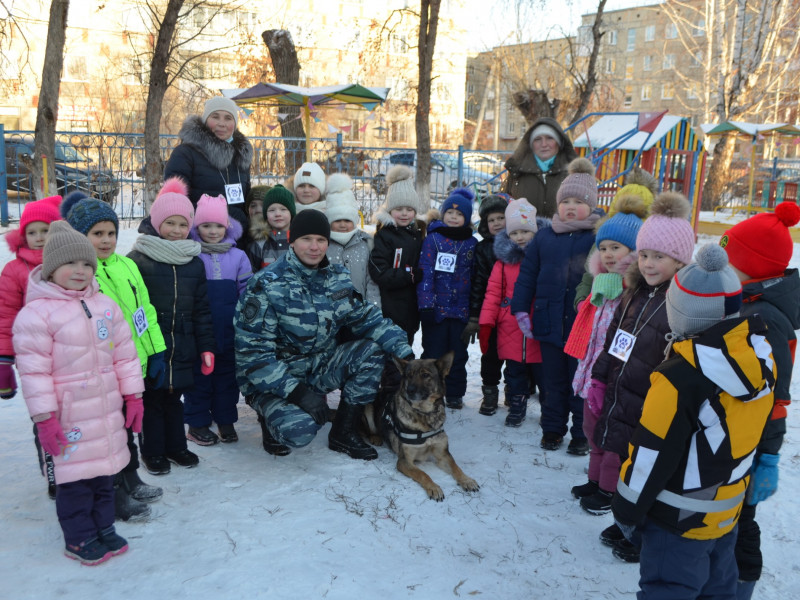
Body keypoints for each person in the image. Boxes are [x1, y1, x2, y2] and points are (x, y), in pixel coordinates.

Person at [611, 244, 776, 600]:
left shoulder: (678, 378)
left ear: (682, 314)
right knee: (718, 591)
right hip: (726, 511)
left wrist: (626, 508)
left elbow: (651, 452)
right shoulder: (760, 357)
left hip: (678, 520)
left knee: (668, 590)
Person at [13, 221, 145, 565]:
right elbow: (34, 373)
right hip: (68, 417)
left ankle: (103, 527)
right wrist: (44, 419)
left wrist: (133, 396)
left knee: (104, 477)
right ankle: (79, 537)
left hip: (105, 413)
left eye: (87, 264)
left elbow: (125, 355)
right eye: (71, 264)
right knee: (74, 486)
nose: (81, 271)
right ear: (53, 267)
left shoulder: (105, 306)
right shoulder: (36, 315)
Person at [234, 209, 413, 460]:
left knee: (371, 352)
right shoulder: (267, 284)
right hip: (275, 379)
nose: (315, 247)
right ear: (292, 240)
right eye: (307, 239)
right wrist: (298, 394)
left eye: (321, 240)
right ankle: (269, 418)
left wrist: (406, 352)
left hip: (318, 365)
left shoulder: (336, 278)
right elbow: (252, 357)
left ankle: (343, 431)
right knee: (299, 431)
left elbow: (364, 318)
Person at [590, 192, 695, 560]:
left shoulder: (682, 302)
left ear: (679, 260)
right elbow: (614, 336)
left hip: (656, 398)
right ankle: (624, 519)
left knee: (646, 466)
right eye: (645, 255)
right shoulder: (636, 291)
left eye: (659, 257)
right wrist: (601, 377)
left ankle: (640, 530)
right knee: (622, 454)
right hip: (624, 386)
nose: (649, 264)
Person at [61, 192, 166, 522]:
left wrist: (156, 351)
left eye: (111, 233)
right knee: (107, 432)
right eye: (97, 233)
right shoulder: (80, 276)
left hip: (135, 363)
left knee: (126, 428)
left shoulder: (128, 265)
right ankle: (114, 492)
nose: (106, 240)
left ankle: (130, 475)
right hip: (101, 371)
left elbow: (144, 310)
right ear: (81, 236)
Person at [719, 201, 800, 600]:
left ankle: (741, 583)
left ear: (752, 268)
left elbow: (777, 398)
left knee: (741, 517)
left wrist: (768, 455)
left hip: (750, 440)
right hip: (731, 429)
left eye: (728, 261)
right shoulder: (747, 302)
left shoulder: (765, 320)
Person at [511, 157, 602, 454]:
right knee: (552, 383)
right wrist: (521, 309)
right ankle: (552, 430)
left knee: (579, 383)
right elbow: (527, 276)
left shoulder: (597, 237)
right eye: (566, 201)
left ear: (591, 205)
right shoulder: (544, 237)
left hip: (582, 326)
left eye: (579, 201)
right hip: (548, 323)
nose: (571, 206)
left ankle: (580, 434)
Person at [127, 177, 215, 475]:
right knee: (152, 401)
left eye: (182, 224)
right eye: (170, 223)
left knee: (175, 400)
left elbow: (202, 309)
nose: (176, 231)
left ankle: (177, 446)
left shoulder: (194, 261)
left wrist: (206, 347)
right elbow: (131, 307)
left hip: (183, 345)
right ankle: (152, 451)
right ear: (156, 223)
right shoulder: (138, 259)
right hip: (152, 347)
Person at [565, 196, 646, 512]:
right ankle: (595, 480)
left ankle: (610, 491)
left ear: (634, 252)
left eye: (617, 248)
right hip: (591, 374)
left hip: (616, 379)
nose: (609, 254)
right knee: (592, 431)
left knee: (612, 438)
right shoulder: (601, 284)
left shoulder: (634, 291)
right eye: (604, 247)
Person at [0, 195, 62, 499]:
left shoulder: (66, 263)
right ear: (22, 235)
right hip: (33, 356)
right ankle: (53, 472)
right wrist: (4, 359)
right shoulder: (14, 271)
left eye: (45, 230)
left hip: (68, 353)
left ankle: (76, 467)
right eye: (32, 232)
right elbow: (6, 314)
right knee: (44, 413)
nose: (39, 238)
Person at [184, 194, 252, 446]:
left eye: (218, 226)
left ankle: (225, 420)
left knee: (226, 378)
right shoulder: (191, 254)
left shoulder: (238, 257)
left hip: (228, 330)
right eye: (206, 226)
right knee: (200, 377)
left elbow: (247, 292)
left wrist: (244, 323)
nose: (212, 231)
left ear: (227, 227)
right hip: (199, 332)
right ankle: (197, 422)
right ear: (196, 227)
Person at [479, 198, 544, 426]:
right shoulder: (503, 264)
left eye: (525, 231)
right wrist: (486, 322)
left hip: (538, 325)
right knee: (514, 371)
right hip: (510, 326)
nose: (520, 237)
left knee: (543, 374)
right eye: (515, 232)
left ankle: (549, 409)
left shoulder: (543, 259)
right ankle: (517, 406)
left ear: (535, 232)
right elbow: (493, 294)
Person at [368, 165, 426, 407]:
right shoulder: (384, 236)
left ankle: (401, 393)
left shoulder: (418, 235)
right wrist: (408, 275)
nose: (404, 213)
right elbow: (380, 271)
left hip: (411, 308)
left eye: (409, 209)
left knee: (406, 352)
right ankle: (389, 397)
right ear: (390, 209)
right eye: (399, 209)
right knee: (390, 355)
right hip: (391, 309)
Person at [417, 187, 478, 409]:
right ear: (443, 214)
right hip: (437, 310)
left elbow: (474, 277)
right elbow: (426, 273)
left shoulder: (472, 244)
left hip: (460, 311)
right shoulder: (433, 239)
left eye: (460, 214)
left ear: (467, 218)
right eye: (450, 213)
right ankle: (430, 391)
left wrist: (473, 311)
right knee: (433, 353)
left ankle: (454, 392)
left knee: (457, 355)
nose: (454, 217)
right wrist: (426, 306)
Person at [163, 96, 252, 229]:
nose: (221, 123)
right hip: (201, 236)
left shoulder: (241, 156)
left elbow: (245, 201)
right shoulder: (186, 153)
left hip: (238, 237)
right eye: (215, 117)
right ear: (205, 120)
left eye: (228, 118)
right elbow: (176, 202)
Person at [463, 193, 510, 415]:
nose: (497, 223)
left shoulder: (519, 243)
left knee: (514, 356)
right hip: (489, 312)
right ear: (485, 224)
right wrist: (475, 316)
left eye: (501, 218)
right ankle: (490, 393)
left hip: (514, 313)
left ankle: (514, 392)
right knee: (490, 354)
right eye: (491, 220)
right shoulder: (482, 250)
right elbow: (478, 284)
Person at [503, 117, 578, 219]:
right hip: (524, 234)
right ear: (531, 144)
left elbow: (587, 208)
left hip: (563, 234)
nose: (544, 144)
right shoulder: (517, 172)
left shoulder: (574, 173)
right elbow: (503, 206)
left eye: (550, 138)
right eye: (537, 139)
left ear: (559, 142)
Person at [325, 173, 380, 307]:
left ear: (354, 221)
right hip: (329, 311)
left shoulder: (366, 243)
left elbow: (372, 281)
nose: (343, 225)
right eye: (337, 220)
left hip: (360, 310)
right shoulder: (324, 244)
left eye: (347, 220)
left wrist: (372, 307)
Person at [245, 184, 296, 272]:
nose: (277, 214)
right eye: (272, 210)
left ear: (291, 212)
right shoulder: (259, 245)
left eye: (283, 209)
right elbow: (250, 276)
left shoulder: (300, 241)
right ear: (266, 214)